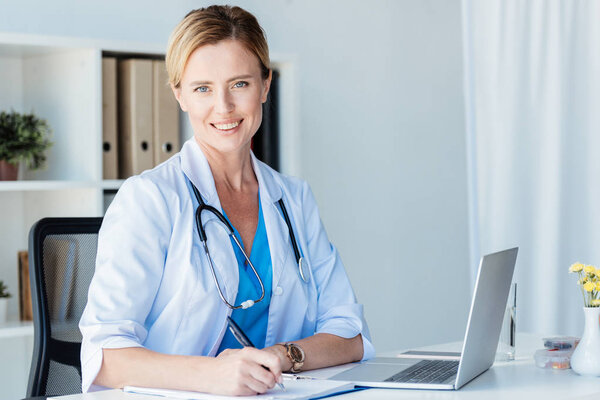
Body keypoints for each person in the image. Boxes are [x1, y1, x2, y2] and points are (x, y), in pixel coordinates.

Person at [80, 5, 374, 396]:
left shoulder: (293, 198)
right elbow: (104, 356)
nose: (224, 107)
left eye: (240, 84)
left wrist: (283, 356)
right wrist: (212, 375)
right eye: (203, 88)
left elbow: (351, 335)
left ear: (266, 85)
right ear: (179, 94)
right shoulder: (150, 199)